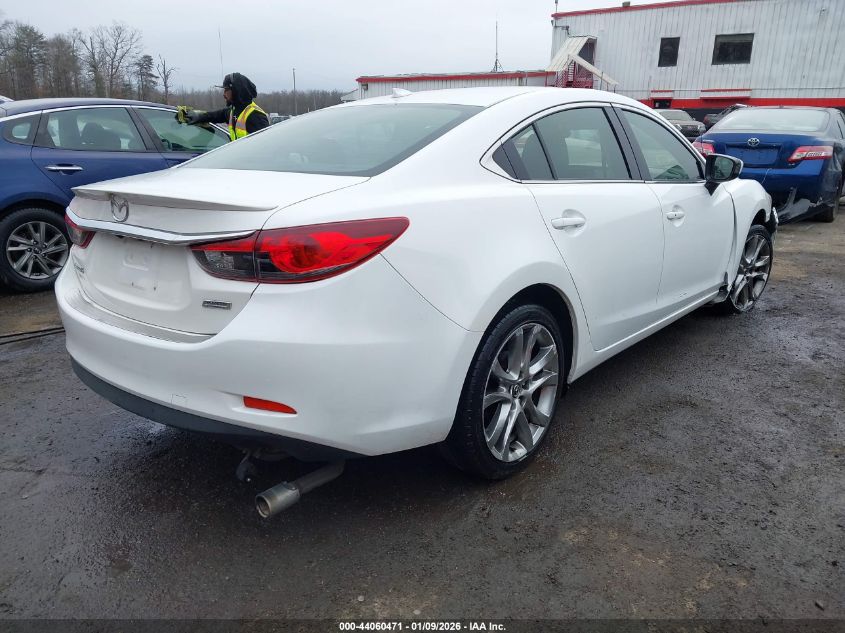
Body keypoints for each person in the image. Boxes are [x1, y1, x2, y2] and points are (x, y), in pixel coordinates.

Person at [177, 72, 270, 140]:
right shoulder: (233, 111)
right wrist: (195, 115)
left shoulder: (255, 116)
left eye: (226, 90)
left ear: (236, 90)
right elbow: (215, 115)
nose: (224, 94)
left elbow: (265, 147)